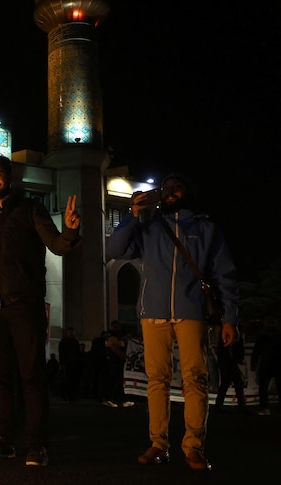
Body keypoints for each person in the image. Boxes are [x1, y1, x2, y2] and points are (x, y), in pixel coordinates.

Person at [106, 172, 239, 471]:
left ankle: (193, 447)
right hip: (153, 313)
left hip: (191, 312)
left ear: (189, 191)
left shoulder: (205, 228)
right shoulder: (151, 228)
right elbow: (115, 250)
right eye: (166, 188)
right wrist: (133, 215)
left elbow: (224, 275)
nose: (169, 192)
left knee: (195, 379)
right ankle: (158, 444)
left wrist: (230, 317)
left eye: (177, 187)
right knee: (157, 381)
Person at [0, 155, 81, 467]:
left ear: (9, 177)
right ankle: (2, 440)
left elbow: (57, 245)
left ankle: (37, 445)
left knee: (32, 376)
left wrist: (70, 230)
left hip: (24, 305)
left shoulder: (31, 208)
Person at [251, 316, 281, 416]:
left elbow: (256, 352)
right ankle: (264, 408)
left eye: (272, 322)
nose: (270, 324)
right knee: (263, 389)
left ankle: (267, 408)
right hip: (265, 365)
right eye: (269, 322)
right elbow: (256, 352)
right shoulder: (262, 338)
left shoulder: (278, 336)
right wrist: (253, 363)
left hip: (277, 365)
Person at [213, 327, 247, 414]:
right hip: (228, 362)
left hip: (228, 362)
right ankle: (241, 406)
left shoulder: (226, 337)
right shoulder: (236, 336)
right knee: (234, 383)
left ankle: (219, 405)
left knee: (227, 383)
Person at [101, 321, 134, 408]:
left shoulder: (118, 336)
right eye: (115, 327)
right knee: (114, 382)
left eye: (118, 327)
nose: (117, 329)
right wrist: (127, 357)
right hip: (113, 362)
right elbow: (115, 349)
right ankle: (109, 399)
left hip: (115, 362)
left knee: (118, 382)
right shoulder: (112, 337)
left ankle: (119, 399)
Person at [58, 326, 82, 403]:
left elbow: (78, 353)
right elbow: (61, 353)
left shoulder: (75, 342)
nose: (71, 334)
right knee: (67, 381)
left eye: (72, 332)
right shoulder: (64, 342)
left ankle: (72, 396)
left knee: (73, 380)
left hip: (74, 364)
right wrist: (62, 364)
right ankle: (68, 396)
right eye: (70, 332)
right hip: (67, 364)